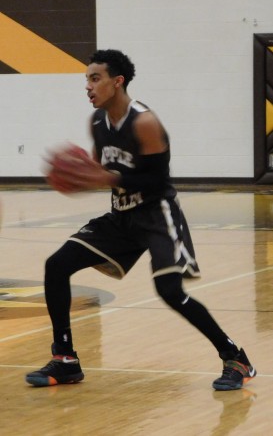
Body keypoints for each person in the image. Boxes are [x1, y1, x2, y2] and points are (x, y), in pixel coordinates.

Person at [26, 49, 256, 391]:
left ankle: (235, 357)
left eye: (95, 78)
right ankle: (65, 359)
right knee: (57, 265)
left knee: (170, 291)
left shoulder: (145, 122)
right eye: (86, 80)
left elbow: (156, 181)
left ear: (117, 82)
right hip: (121, 215)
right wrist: (85, 176)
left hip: (156, 214)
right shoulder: (97, 122)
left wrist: (105, 179)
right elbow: (105, 170)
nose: (87, 87)